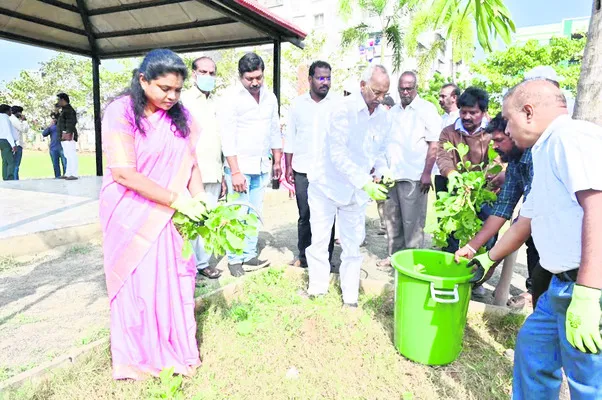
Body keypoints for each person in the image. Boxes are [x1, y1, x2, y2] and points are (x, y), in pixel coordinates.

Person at [466, 79, 602, 399]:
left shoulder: (570, 138)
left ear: (528, 112)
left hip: (585, 287)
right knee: (532, 353)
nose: (507, 130)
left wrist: (588, 291)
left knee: (588, 381)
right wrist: (488, 256)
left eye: (508, 120)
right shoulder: (543, 150)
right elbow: (526, 219)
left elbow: (597, 205)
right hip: (559, 285)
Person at [99, 49, 207, 380]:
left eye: (177, 90)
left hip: (170, 215)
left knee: (173, 282)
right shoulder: (121, 112)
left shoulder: (180, 115)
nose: (171, 96)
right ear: (143, 80)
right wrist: (178, 199)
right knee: (140, 288)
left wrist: (200, 197)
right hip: (130, 214)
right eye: (164, 89)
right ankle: (138, 358)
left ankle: (176, 351)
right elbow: (124, 174)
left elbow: (190, 162)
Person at [303, 65, 391, 307]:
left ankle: (350, 298)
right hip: (326, 186)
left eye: (384, 93)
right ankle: (317, 290)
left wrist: (383, 172)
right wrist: (365, 182)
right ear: (362, 86)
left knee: (353, 245)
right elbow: (338, 155)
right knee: (320, 241)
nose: (380, 98)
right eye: (376, 92)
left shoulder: (383, 116)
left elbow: (380, 152)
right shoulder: (343, 110)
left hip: (356, 192)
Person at [454, 113, 548, 309]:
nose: (494, 146)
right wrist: (471, 248)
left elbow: (525, 221)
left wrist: (491, 260)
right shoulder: (515, 162)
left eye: (499, 140)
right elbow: (503, 208)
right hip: (537, 228)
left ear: (514, 133)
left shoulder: (537, 158)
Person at [219, 52, 281, 277]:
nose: (255, 82)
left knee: (254, 214)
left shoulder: (269, 97)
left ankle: (249, 255)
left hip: (262, 165)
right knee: (237, 214)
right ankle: (235, 260)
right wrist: (235, 171)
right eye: (249, 78)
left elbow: (274, 129)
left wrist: (277, 160)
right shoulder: (230, 98)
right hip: (240, 168)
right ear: (240, 77)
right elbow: (227, 136)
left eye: (259, 77)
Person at [377, 71, 441, 268]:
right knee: (392, 221)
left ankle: (412, 261)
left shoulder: (426, 110)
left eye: (409, 88)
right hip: (392, 175)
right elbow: (383, 143)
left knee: (412, 224)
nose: (405, 92)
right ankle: (394, 257)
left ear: (416, 88)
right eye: (402, 88)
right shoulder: (392, 113)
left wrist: (426, 173)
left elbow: (434, 144)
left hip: (414, 176)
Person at [284, 60, 337, 270]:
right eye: (320, 78)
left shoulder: (336, 104)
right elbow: (290, 137)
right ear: (310, 79)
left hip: (328, 172)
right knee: (305, 215)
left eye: (328, 78)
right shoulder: (297, 104)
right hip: (302, 170)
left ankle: (325, 258)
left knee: (327, 216)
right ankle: (304, 256)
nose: (325, 82)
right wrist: (288, 166)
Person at [435, 87, 497, 254]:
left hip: (484, 190)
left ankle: (477, 274)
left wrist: (480, 181)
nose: (467, 117)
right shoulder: (448, 132)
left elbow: (498, 160)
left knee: (486, 235)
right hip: (455, 190)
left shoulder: (493, 133)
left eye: (473, 112)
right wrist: (452, 174)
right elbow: (443, 156)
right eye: (463, 112)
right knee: (450, 234)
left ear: (484, 112)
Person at [180, 56, 223, 280]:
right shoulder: (184, 99)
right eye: (203, 72)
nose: (208, 76)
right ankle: (187, 267)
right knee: (190, 220)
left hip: (214, 169)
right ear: (194, 74)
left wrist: (224, 172)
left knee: (208, 220)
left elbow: (221, 137)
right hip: (190, 171)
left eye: (212, 73)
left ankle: (203, 264)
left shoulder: (218, 101)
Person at [57, 93, 79, 180]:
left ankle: (74, 173)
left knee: (71, 154)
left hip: (68, 135)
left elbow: (71, 122)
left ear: (63, 100)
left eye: (59, 100)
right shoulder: (63, 110)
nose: (58, 102)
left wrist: (67, 132)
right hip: (63, 135)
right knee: (67, 155)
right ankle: (68, 173)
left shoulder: (69, 110)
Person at [42, 113, 67, 179]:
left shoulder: (63, 125)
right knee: (55, 165)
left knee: (65, 164)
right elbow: (44, 134)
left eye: (55, 118)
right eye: (52, 118)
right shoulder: (51, 127)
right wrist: (49, 126)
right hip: (53, 148)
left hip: (62, 147)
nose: (54, 120)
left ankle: (66, 176)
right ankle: (57, 177)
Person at [8, 106, 28, 180]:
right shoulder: (14, 120)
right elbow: (24, 129)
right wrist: (24, 120)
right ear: (18, 112)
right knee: (16, 164)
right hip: (17, 143)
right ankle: (15, 180)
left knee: (11, 164)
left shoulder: (9, 119)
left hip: (11, 143)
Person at [0, 104, 16, 181]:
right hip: (6, 141)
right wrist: (13, 144)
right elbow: (8, 132)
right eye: (10, 110)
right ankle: (9, 177)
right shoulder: (5, 118)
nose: (11, 112)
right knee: (10, 161)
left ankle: (5, 176)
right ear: (7, 111)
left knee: (4, 160)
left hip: (1, 140)